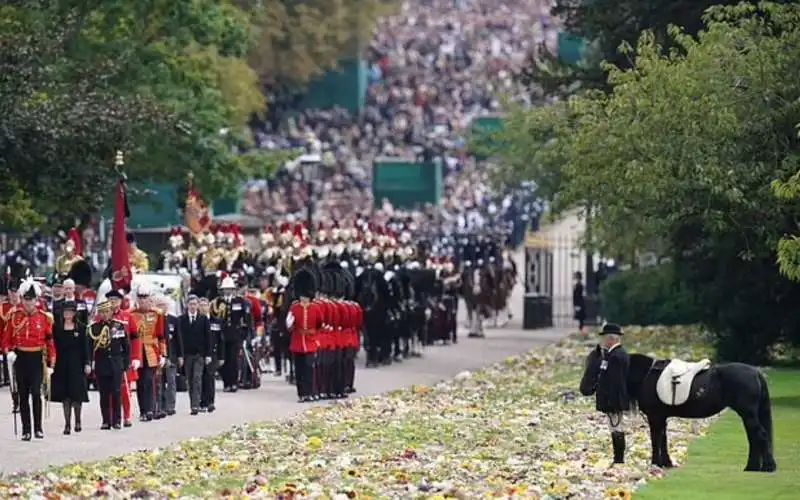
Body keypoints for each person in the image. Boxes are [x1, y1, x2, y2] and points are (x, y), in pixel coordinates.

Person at [1, 279, 55, 441]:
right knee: (23, 395)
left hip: (37, 358)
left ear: (36, 300)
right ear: (22, 299)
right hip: (20, 358)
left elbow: (49, 341)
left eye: (31, 299)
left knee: (36, 394)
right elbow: (6, 339)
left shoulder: (44, 318)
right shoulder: (14, 316)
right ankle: (26, 430)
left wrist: (51, 361)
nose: (28, 302)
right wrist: (9, 352)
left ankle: (38, 428)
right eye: (25, 299)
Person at [87, 300, 130, 430]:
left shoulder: (119, 326)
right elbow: (89, 348)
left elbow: (126, 347)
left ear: (112, 312)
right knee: (104, 393)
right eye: (102, 312)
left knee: (116, 392)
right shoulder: (94, 328)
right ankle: (106, 420)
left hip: (116, 363)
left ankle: (117, 420)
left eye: (107, 311)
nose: (105, 314)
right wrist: (89, 362)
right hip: (102, 363)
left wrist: (125, 364)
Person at [50, 300, 89, 435]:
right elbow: (52, 345)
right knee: (65, 395)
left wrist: (87, 363)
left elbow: (86, 347)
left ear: (74, 313)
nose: (67, 314)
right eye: (65, 311)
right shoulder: (57, 327)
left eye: (70, 311)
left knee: (76, 393)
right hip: (62, 364)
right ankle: (67, 424)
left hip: (77, 364)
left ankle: (78, 420)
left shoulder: (82, 327)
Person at [595, 323, 631, 465]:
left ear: (611, 339)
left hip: (614, 400)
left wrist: (611, 402)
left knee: (617, 428)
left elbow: (615, 382)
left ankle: (619, 459)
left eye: (605, 338)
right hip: (614, 399)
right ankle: (618, 458)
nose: (604, 342)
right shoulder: (614, 354)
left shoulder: (616, 356)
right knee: (615, 427)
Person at [130, 286, 166, 422]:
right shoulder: (131, 313)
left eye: (146, 297)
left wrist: (163, 354)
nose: (143, 300)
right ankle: (143, 410)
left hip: (151, 350)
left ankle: (150, 409)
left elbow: (161, 335)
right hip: (138, 351)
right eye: (141, 297)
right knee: (140, 383)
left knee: (149, 380)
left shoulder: (157, 314)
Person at [286, 268, 321, 402]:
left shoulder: (315, 308)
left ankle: (310, 392)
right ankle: (302, 393)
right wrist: (290, 323)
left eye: (305, 297)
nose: (303, 299)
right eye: (302, 296)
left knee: (309, 369)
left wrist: (316, 338)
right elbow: (289, 326)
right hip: (297, 342)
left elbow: (319, 324)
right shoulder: (294, 307)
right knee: (299, 370)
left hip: (310, 342)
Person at [179, 295, 212, 415]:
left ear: (198, 305)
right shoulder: (181, 320)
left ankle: (195, 405)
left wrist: (208, 354)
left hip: (199, 354)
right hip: (187, 355)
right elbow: (180, 339)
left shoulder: (203, 319)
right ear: (187, 305)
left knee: (197, 378)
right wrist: (180, 355)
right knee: (190, 379)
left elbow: (208, 338)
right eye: (190, 304)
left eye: (195, 304)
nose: (193, 306)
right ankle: (192, 402)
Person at [155, 296, 181, 418]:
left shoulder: (174, 320)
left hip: (172, 355)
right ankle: (160, 406)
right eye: (159, 305)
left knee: (171, 382)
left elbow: (178, 340)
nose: (161, 308)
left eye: (163, 305)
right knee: (159, 382)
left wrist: (179, 356)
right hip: (158, 356)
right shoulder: (154, 319)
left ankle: (170, 406)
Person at [200, 296, 224, 413]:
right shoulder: (197, 321)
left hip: (213, 353)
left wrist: (221, 357)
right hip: (200, 354)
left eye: (205, 305)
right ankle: (201, 402)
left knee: (210, 377)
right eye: (201, 305)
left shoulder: (216, 321)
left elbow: (221, 340)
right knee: (200, 377)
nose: (203, 308)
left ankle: (210, 402)